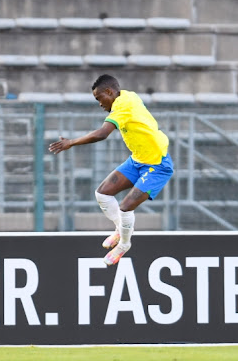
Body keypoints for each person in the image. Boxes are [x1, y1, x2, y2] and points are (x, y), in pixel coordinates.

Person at [48, 74, 173, 266]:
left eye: (99, 98)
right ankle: (120, 229)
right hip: (138, 160)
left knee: (125, 207)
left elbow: (102, 134)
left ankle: (123, 245)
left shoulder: (121, 106)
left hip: (158, 164)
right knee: (102, 193)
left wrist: (71, 142)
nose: (99, 103)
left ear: (109, 92)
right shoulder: (128, 96)